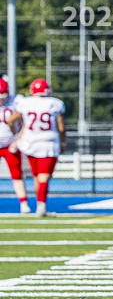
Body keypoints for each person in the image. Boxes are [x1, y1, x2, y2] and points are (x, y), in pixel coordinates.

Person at [9, 79, 66, 217]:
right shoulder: (55, 103)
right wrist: (63, 142)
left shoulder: (25, 102)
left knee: (37, 177)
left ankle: (40, 205)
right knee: (44, 177)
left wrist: (16, 134)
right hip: (48, 142)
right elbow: (61, 128)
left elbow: (11, 120)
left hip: (30, 142)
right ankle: (41, 206)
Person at [0, 78, 31, 214]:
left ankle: (23, 203)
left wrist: (18, 140)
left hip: (10, 144)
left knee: (17, 175)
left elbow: (26, 123)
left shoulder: (17, 101)